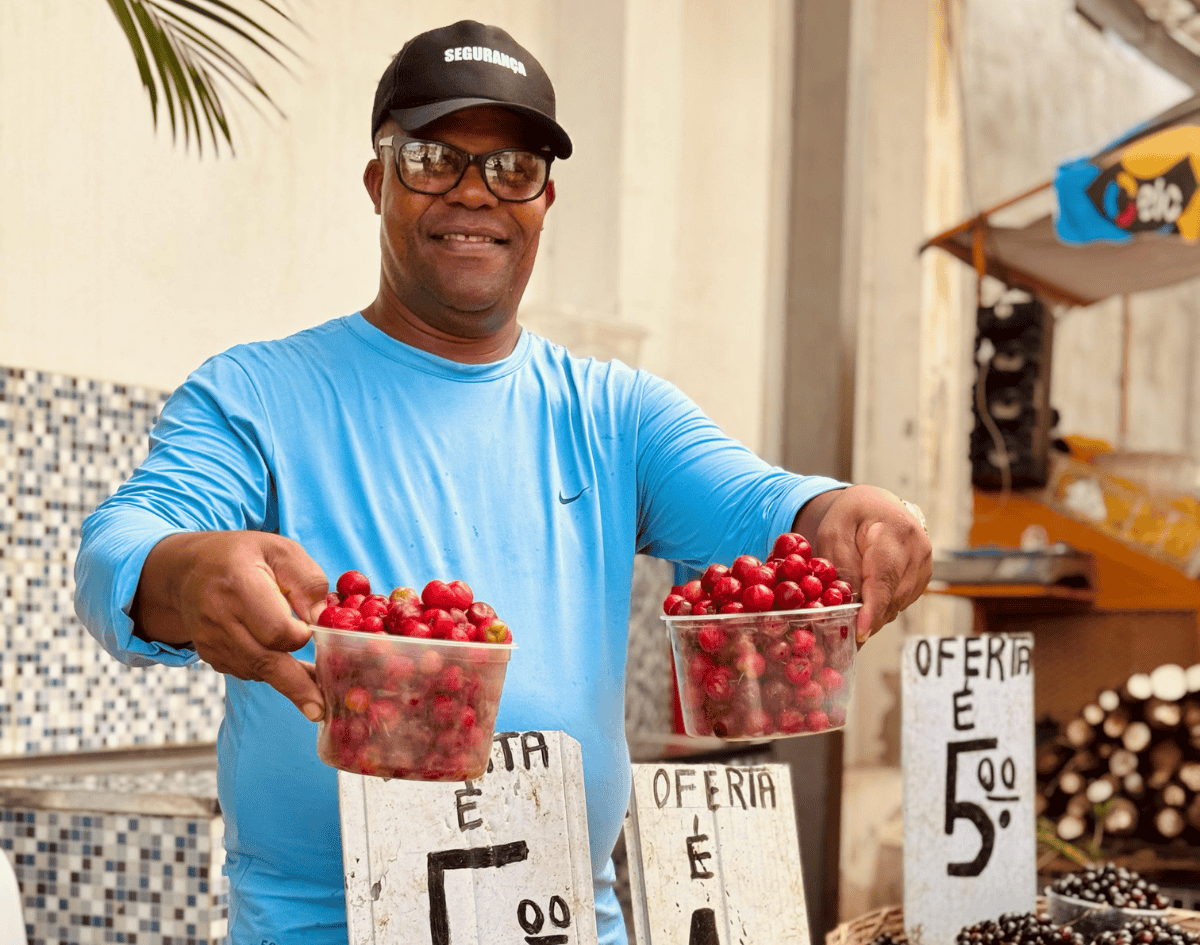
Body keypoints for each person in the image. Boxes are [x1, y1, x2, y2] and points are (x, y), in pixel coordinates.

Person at [73, 18, 932, 945]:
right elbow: (120, 543)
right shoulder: (256, 394)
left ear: (545, 200)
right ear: (378, 180)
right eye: (435, 158)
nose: (475, 193)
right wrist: (185, 571)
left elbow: (766, 506)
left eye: (512, 168)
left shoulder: (615, 413)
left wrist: (844, 510)